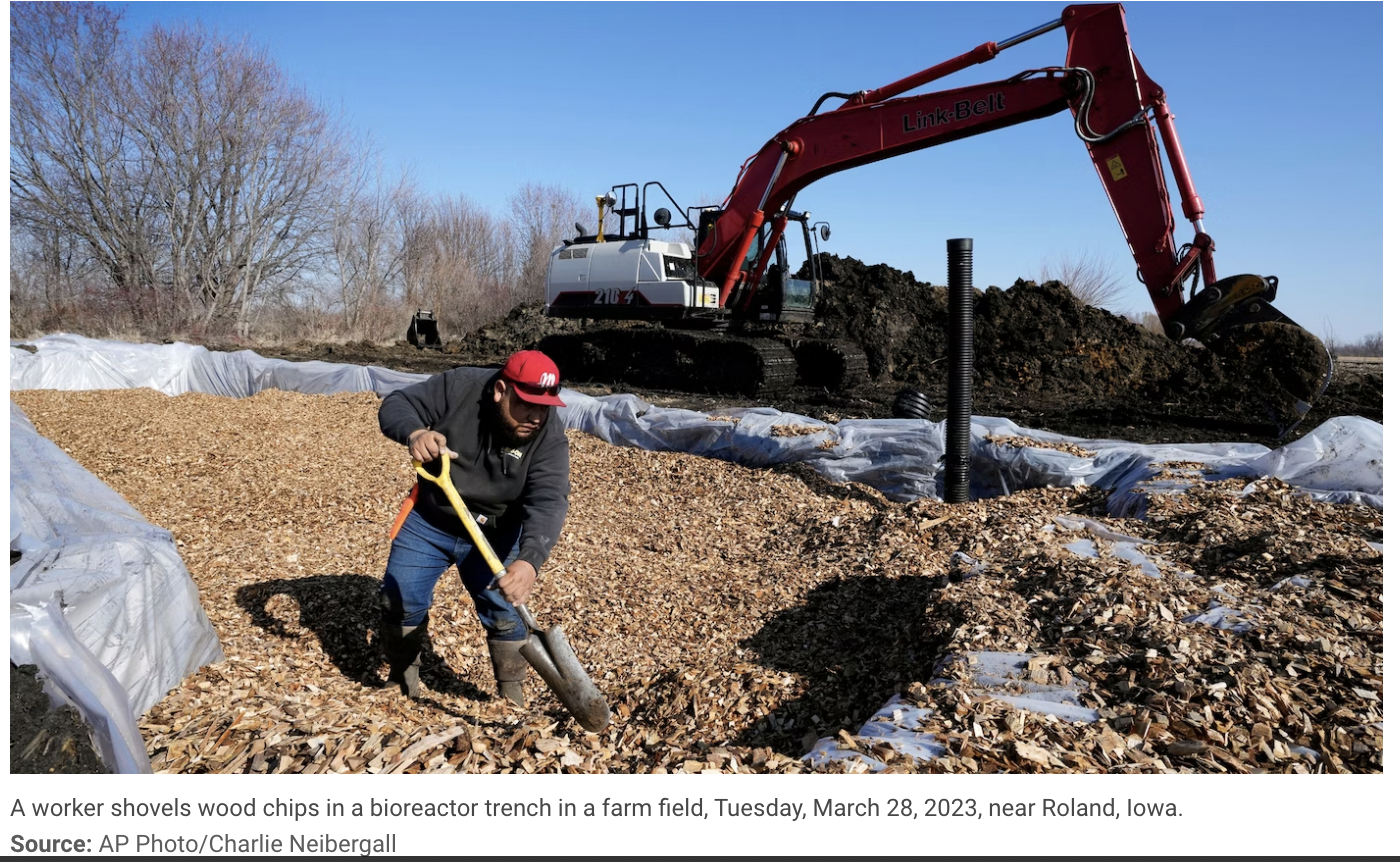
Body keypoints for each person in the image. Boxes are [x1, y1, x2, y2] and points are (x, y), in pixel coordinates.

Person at [376, 349, 570, 705]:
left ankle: (511, 697)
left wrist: (529, 562)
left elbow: (549, 499)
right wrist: (415, 432)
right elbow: (397, 403)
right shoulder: (460, 387)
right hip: (431, 519)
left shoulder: (548, 434)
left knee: (504, 613)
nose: (536, 416)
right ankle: (403, 681)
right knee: (399, 599)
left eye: (545, 406)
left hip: (496, 532)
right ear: (500, 390)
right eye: (527, 404)